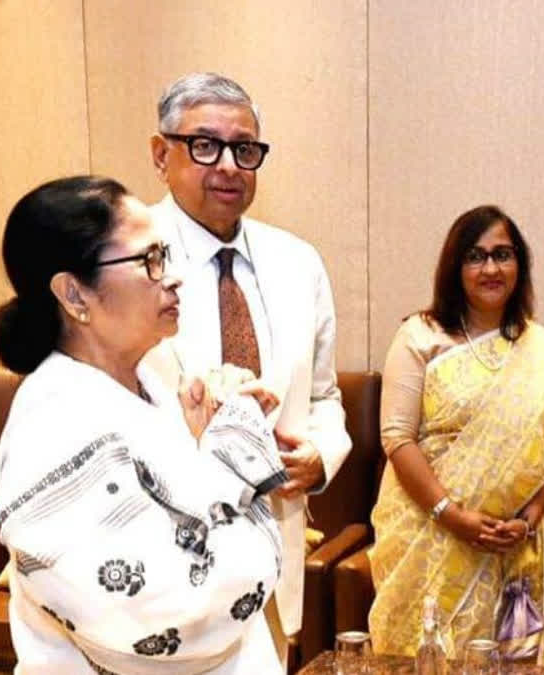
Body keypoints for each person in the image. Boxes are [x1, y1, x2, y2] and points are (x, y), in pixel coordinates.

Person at [0, 176, 287, 674]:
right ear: (74, 294)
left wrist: (204, 437)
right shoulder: (54, 420)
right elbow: (163, 615)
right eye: (148, 260)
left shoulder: (153, 379)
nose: (171, 277)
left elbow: (188, 511)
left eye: (165, 256)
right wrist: (233, 445)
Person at [141, 72, 351, 650]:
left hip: (273, 549)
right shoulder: (127, 257)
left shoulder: (297, 261)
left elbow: (323, 397)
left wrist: (322, 456)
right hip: (163, 560)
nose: (229, 166)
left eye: (245, 149)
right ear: (162, 154)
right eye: (204, 146)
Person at [367, 205, 544, 673]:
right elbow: (397, 438)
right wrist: (451, 515)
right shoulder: (420, 335)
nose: (491, 269)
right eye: (476, 257)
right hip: (430, 531)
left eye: (503, 254)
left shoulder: (540, 350)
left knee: (515, 659)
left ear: (520, 265)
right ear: (454, 267)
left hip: (514, 547)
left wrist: (530, 517)